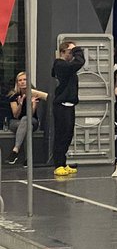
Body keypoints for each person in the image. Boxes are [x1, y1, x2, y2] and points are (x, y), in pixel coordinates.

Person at [50, 40, 86, 177]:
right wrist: (78, 50)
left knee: (68, 135)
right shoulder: (60, 64)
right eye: (70, 52)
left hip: (69, 105)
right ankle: (58, 164)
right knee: (61, 135)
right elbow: (79, 62)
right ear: (63, 52)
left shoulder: (67, 67)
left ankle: (63, 162)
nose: (73, 55)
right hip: (61, 105)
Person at [7, 72, 46, 166]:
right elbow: (16, 115)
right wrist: (20, 104)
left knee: (26, 120)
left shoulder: (34, 94)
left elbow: (31, 114)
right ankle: (28, 159)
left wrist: (33, 104)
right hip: (16, 122)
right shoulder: (14, 96)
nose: (22, 82)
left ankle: (15, 150)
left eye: (24, 80)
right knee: (27, 128)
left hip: (32, 120)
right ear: (17, 83)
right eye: (20, 80)